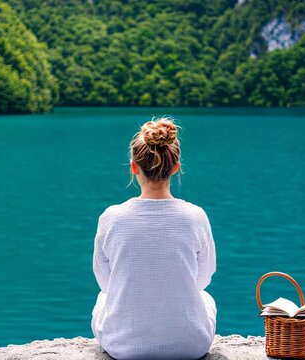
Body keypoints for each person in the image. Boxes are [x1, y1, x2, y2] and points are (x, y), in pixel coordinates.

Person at [91, 117, 217, 360]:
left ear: (133, 167)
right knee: (205, 297)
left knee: (102, 298)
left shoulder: (112, 218)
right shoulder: (195, 216)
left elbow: (106, 282)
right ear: (175, 167)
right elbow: (203, 277)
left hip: (124, 347)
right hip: (192, 346)